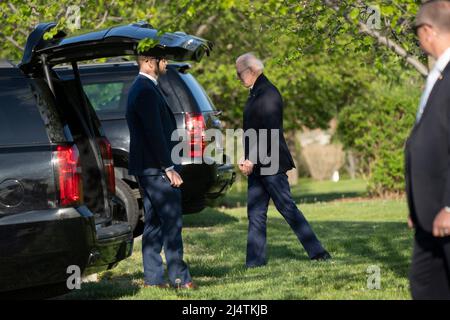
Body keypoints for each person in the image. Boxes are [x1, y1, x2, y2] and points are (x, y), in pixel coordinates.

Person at [235, 53, 331, 268]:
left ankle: (318, 253)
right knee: (256, 214)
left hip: (271, 163)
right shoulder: (255, 93)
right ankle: (254, 263)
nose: (238, 78)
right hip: (258, 164)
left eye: (238, 73)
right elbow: (253, 130)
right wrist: (246, 156)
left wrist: (252, 158)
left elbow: (269, 132)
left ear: (251, 70)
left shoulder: (268, 93)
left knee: (287, 208)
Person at [126, 55, 194, 289]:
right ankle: (180, 278)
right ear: (147, 62)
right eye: (161, 59)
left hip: (149, 168)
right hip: (155, 168)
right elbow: (153, 133)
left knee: (154, 223)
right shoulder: (144, 90)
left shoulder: (145, 87)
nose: (165, 62)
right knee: (171, 221)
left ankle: (153, 280)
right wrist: (168, 167)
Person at [406, 0, 450, 300]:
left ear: (428, 31)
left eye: (418, 35)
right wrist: (415, 204)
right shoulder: (439, 74)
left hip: (445, 211)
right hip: (428, 212)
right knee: (425, 283)